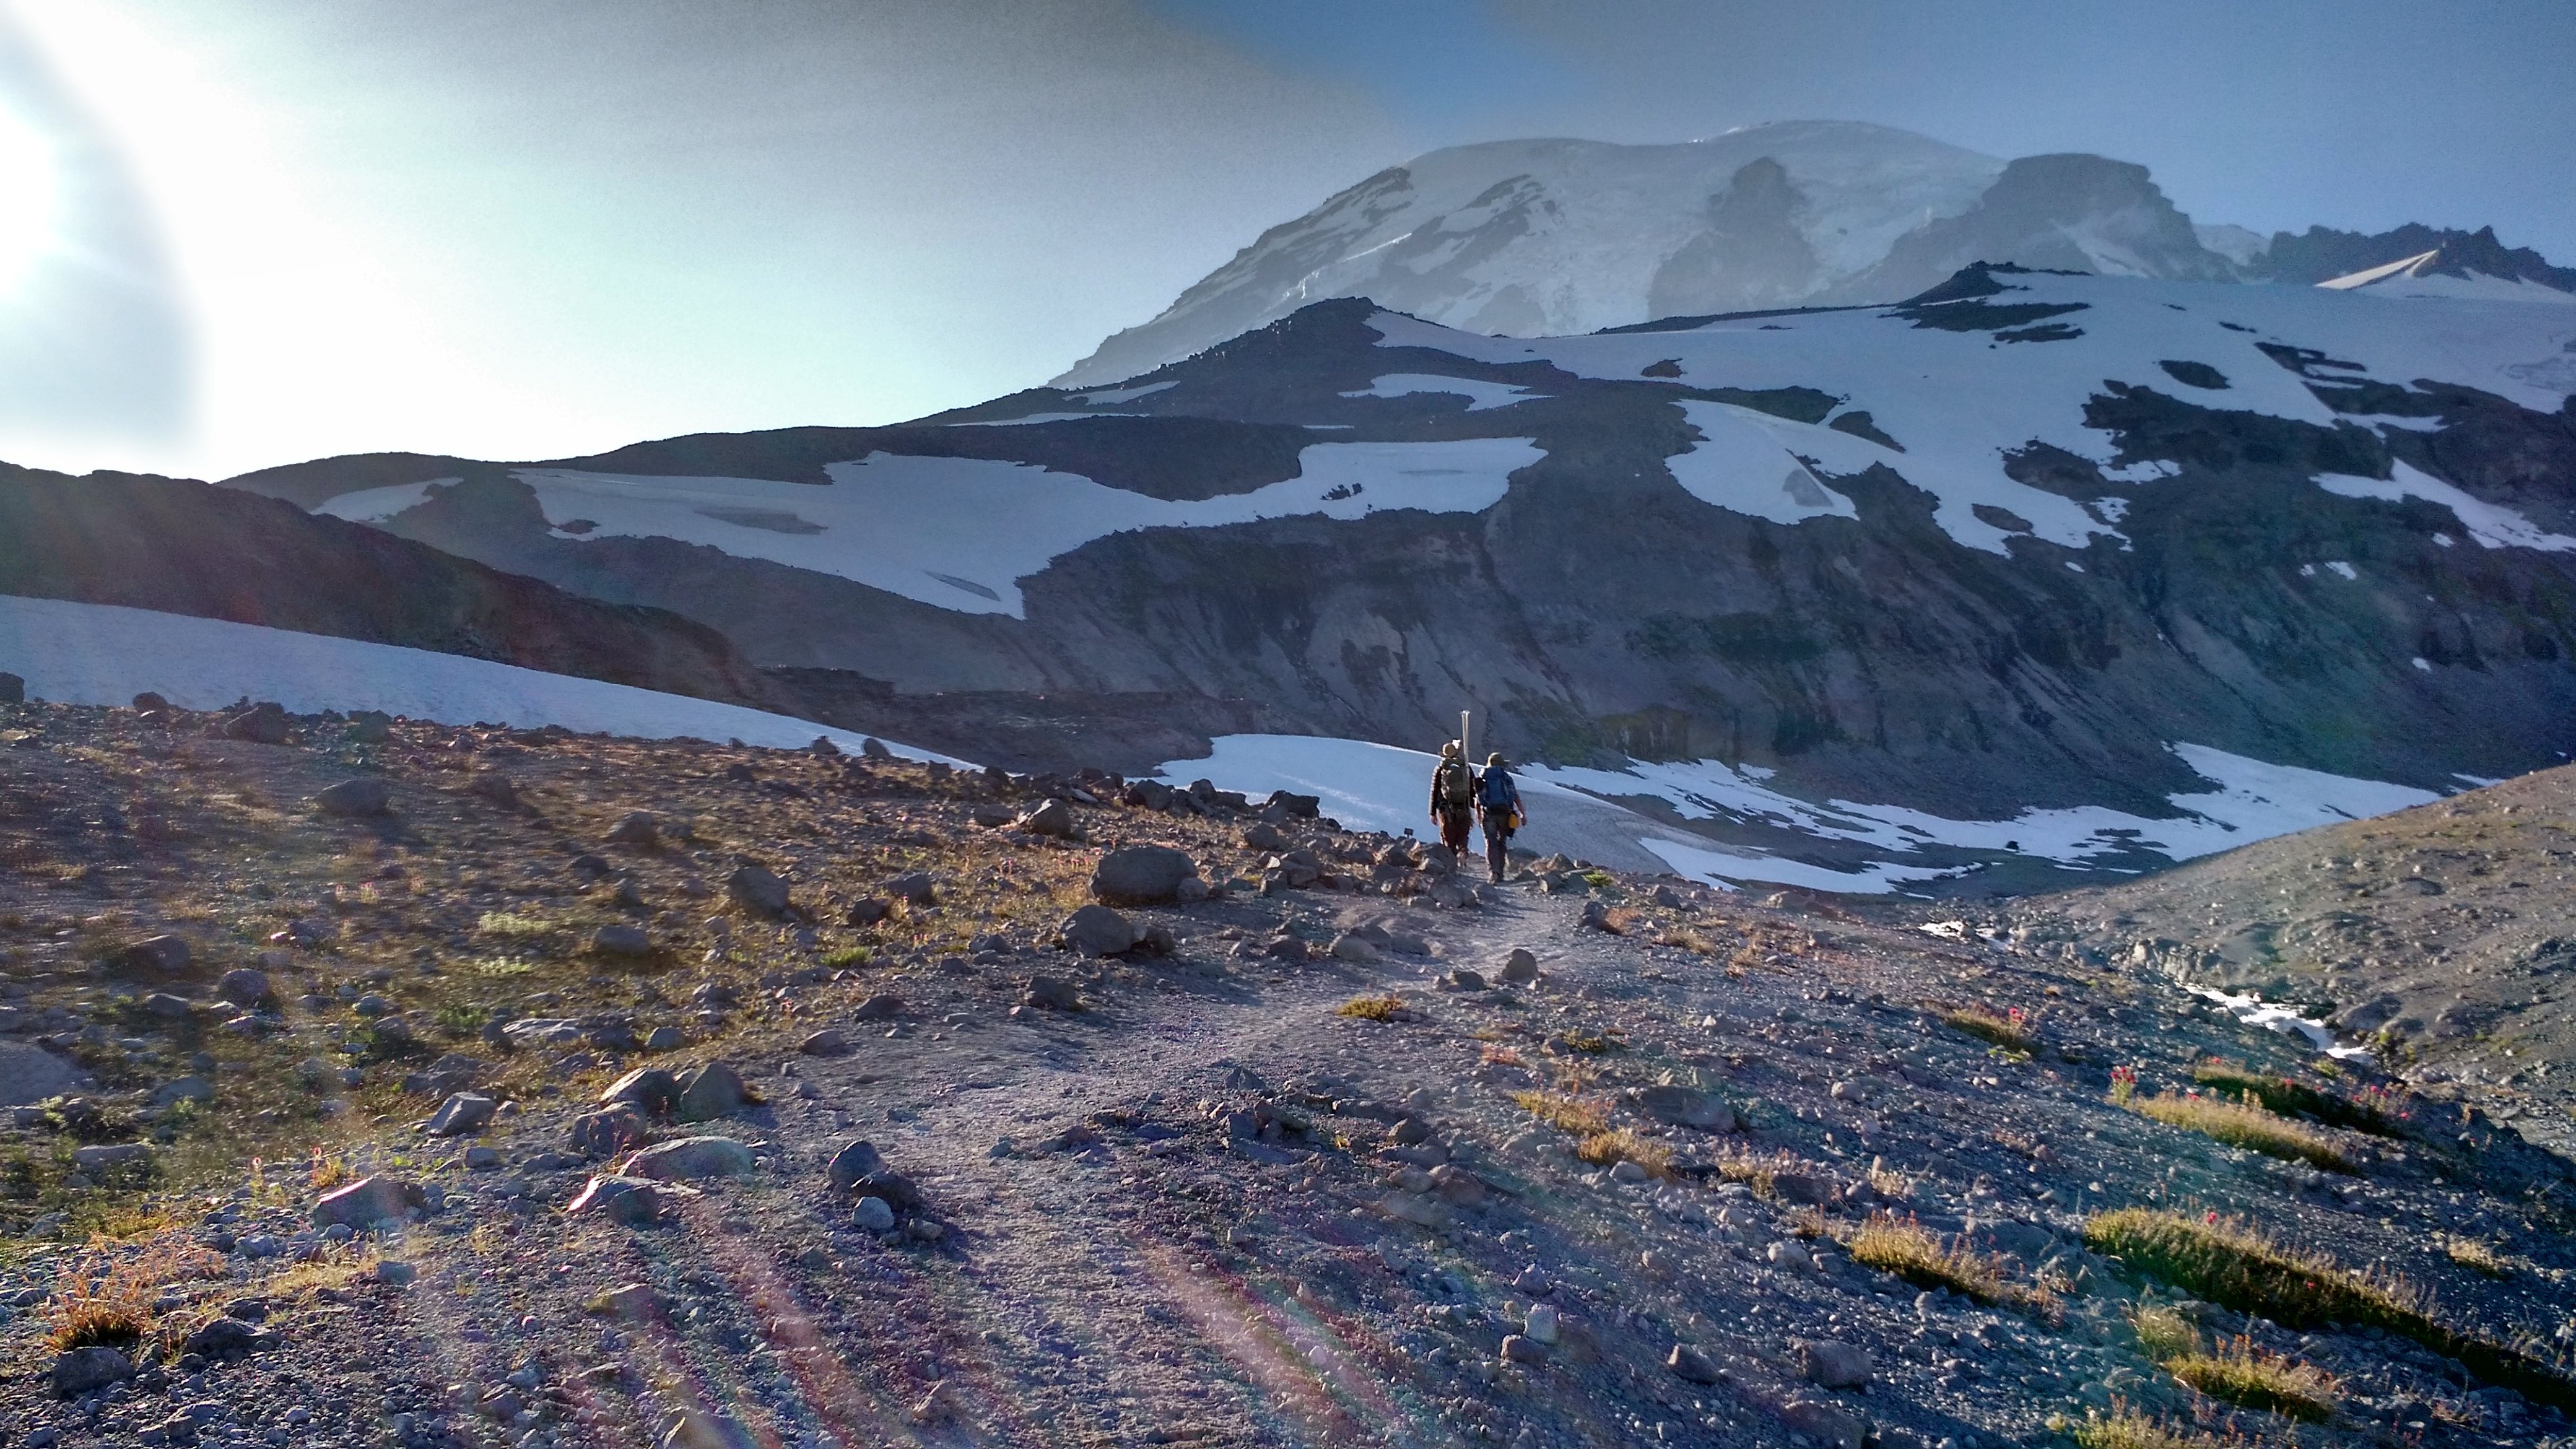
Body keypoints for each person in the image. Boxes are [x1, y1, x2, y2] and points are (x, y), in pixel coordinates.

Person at [1476, 751, 1521, 884]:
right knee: (1502, 842)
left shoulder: (1482, 777)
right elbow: (1513, 795)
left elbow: (1478, 798)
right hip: (1504, 813)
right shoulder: (1506, 777)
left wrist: (1478, 814)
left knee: (1490, 843)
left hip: (1488, 813)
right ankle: (1500, 873)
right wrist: (1520, 812)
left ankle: (1493, 872)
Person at [1429, 740, 1477, 858]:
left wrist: (1432, 812)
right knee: (1463, 836)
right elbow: (1473, 787)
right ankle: (1463, 852)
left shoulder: (1440, 769)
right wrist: (1472, 804)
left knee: (1448, 839)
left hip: (1446, 808)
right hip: (1464, 807)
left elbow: (1435, 791)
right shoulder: (1465, 768)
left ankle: (1451, 865)